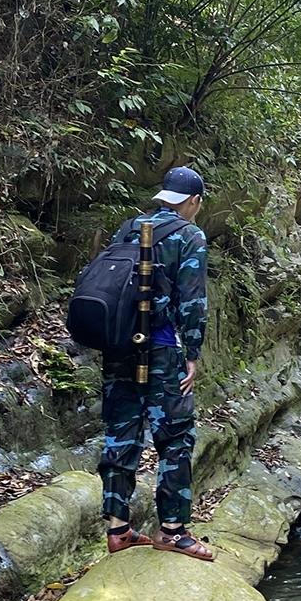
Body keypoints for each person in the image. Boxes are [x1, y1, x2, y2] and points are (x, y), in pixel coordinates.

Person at [97, 166, 214, 561]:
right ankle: (173, 531)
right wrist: (192, 355)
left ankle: (118, 529)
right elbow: (193, 301)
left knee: (120, 434)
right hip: (162, 349)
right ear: (194, 201)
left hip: (117, 348)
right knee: (175, 437)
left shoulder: (129, 227)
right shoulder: (189, 235)